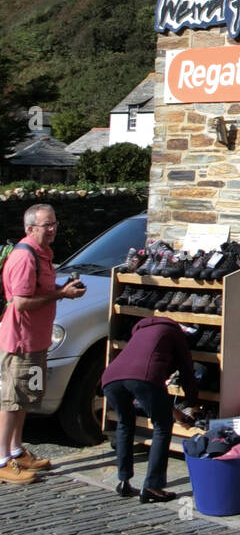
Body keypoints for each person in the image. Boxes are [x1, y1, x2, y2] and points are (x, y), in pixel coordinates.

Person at [0, 204, 87, 485]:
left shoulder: (42, 254)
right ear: (30, 229)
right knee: (12, 400)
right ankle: (2, 460)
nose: (52, 230)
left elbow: (38, 290)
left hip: (37, 341)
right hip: (21, 341)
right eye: (46, 225)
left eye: (54, 224)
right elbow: (22, 302)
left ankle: (16, 450)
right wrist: (61, 294)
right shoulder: (25, 257)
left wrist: (61, 289)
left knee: (26, 397)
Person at [101, 315, 200, 501]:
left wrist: (175, 410)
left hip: (110, 378)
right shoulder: (173, 332)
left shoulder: (139, 333)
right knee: (162, 426)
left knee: (125, 423)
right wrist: (192, 402)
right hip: (144, 378)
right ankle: (153, 486)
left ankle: (123, 481)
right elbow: (186, 369)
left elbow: (151, 389)